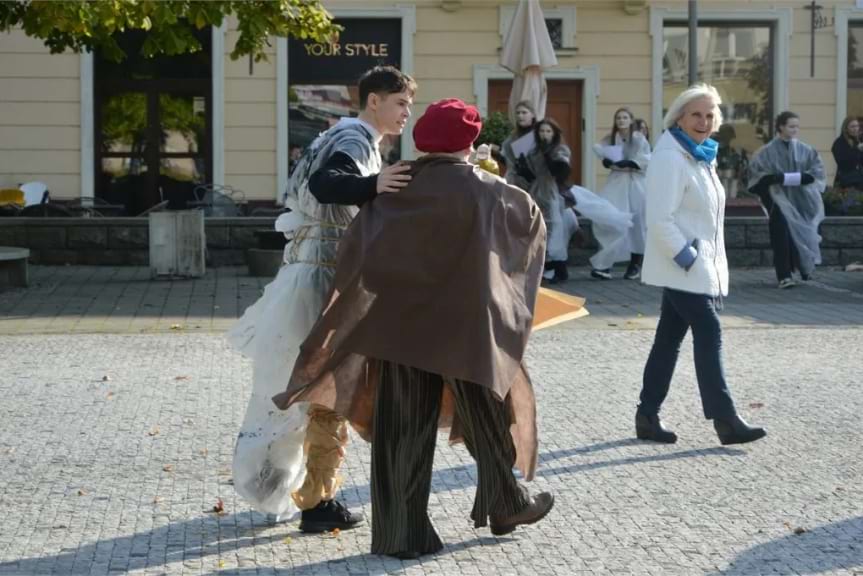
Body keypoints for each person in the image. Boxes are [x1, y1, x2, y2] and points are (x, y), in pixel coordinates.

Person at [275, 98, 554, 559]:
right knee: (487, 413)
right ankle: (505, 503)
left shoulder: (394, 186)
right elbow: (531, 232)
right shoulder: (492, 190)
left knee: (402, 431)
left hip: (400, 329)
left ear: (423, 141)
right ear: (469, 142)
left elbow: (357, 254)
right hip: (467, 329)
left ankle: (401, 535)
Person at [226, 65, 416, 533]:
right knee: (325, 388)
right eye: (400, 102)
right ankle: (313, 500)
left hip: (318, 269)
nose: (407, 112)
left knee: (313, 388)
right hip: (321, 277)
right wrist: (374, 185)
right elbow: (326, 184)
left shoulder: (352, 136)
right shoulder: (353, 137)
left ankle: (297, 488)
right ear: (374, 100)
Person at [636, 83, 766, 446]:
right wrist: (688, 258)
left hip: (694, 265)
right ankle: (725, 419)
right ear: (679, 117)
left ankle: (646, 415)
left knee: (668, 340)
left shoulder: (699, 154)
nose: (704, 121)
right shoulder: (670, 156)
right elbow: (659, 219)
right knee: (709, 331)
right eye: (696, 114)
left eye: (710, 115)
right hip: (685, 266)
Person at [748, 111, 826, 288]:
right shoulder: (766, 152)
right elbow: (758, 176)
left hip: (801, 200)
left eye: (797, 126)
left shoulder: (805, 150)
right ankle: (784, 275)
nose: (795, 130)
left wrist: (783, 178)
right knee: (781, 235)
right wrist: (784, 179)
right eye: (791, 126)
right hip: (778, 201)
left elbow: (816, 172)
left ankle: (805, 269)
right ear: (781, 127)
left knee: (803, 234)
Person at [591, 107, 651, 280]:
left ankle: (635, 264)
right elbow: (600, 150)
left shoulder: (639, 138)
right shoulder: (610, 138)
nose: (621, 120)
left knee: (637, 222)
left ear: (631, 120)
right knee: (611, 219)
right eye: (618, 117)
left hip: (635, 183)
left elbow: (646, 158)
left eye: (625, 117)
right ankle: (604, 265)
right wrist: (606, 161)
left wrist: (631, 163)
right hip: (616, 182)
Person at [526, 118, 574, 283]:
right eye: (541, 131)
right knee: (538, 226)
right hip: (536, 190)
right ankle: (550, 266)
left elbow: (561, 172)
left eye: (548, 131)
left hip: (553, 191)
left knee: (554, 227)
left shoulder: (560, 150)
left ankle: (555, 266)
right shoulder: (533, 151)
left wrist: (549, 156)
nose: (544, 134)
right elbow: (532, 172)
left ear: (554, 133)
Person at [501, 100, 538, 190]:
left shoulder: (539, 134)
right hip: (515, 183)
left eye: (524, 112)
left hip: (537, 184)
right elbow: (507, 160)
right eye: (518, 113)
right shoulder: (512, 137)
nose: (520, 116)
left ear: (532, 115)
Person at [831, 116, 863, 189]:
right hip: (845, 183)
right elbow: (842, 161)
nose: (856, 129)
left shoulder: (858, 142)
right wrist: (857, 150)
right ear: (846, 128)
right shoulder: (839, 143)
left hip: (859, 182)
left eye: (857, 126)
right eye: (852, 126)